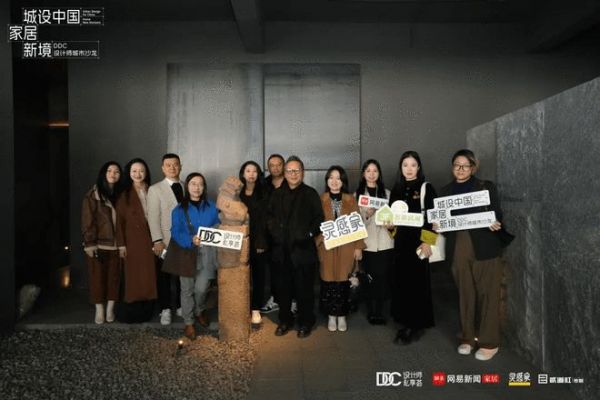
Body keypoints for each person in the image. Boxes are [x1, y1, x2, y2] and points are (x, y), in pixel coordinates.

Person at [437, 149, 506, 361]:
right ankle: (467, 338)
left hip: (485, 244)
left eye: (465, 166)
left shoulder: (485, 187)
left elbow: (496, 212)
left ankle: (489, 342)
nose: (460, 169)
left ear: (473, 168)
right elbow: (441, 221)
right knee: (465, 293)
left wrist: (494, 221)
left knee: (488, 292)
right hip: (458, 244)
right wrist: (437, 225)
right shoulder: (445, 191)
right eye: (456, 165)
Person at [267, 155, 324, 338]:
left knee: (304, 290)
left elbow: (319, 219)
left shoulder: (310, 193)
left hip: (304, 251)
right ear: (285, 173)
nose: (293, 174)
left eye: (296, 170)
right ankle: (285, 320)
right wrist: (277, 234)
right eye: (290, 171)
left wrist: (308, 234)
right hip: (281, 251)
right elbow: (269, 218)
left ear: (303, 172)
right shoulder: (276, 194)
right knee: (283, 290)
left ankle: (306, 322)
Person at [389, 151, 436, 344]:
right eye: (405, 165)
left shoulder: (426, 188)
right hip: (400, 243)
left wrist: (427, 241)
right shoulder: (396, 189)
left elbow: (434, 217)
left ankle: (415, 324)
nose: (409, 169)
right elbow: (391, 221)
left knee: (417, 283)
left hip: (419, 244)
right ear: (401, 168)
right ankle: (404, 321)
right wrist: (390, 227)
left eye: (413, 165)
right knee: (401, 282)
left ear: (419, 167)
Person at [171, 173, 219, 340]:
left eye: (200, 184)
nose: (197, 187)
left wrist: (215, 231)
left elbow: (219, 225)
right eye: (193, 183)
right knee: (187, 289)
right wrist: (190, 240)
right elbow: (175, 231)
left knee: (202, 288)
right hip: (187, 253)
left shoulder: (212, 206)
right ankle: (189, 321)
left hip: (207, 253)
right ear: (187, 186)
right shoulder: (179, 209)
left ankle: (199, 310)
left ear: (204, 187)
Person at [318, 166, 365, 332]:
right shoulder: (321, 199)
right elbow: (315, 224)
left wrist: (358, 247)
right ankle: (331, 315)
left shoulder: (350, 199)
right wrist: (320, 240)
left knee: (344, 281)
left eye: (338, 178)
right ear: (327, 180)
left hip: (347, 247)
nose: (334, 181)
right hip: (327, 247)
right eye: (331, 177)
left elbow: (358, 224)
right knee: (328, 281)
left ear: (343, 181)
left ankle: (342, 315)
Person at [81, 161, 123, 324]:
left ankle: (110, 309)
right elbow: (87, 220)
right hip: (98, 244)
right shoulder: (93, 195)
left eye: (116, 171)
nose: (113, 174)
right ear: (103, 174)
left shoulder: (122, 194)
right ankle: (99, 309)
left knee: (114, 278)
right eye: (109, 171)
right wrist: (89, 243)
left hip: (117, 245)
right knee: (96, 278)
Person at [355, 159, 394, 325]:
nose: (372, 174)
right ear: (363, 174)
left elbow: (396, 221)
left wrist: (392, 226)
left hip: (385, 243)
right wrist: (367, 215)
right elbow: (354, 225)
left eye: (375, 171)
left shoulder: (388, 194)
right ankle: (371, 311)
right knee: (369, 278)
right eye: (368, 171)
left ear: (379, 174)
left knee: (383, 278)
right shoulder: (357, 195)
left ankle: (380, 311)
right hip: (368, 244)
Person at [147, 153, 184, 325]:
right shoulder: (155, 189)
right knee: (164, 277)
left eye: (175, 164)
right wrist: (157, 240)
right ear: (163, 168)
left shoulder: (186, 186)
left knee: (183, 275)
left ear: (180, 166)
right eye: (168, 165)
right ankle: (165, 309)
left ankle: (180, 305)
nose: (172, 167)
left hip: (185, 240)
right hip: (165, 240)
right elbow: (153, 217)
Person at [116, 158, 157, 307]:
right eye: (134, 171)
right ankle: (133, 303)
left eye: (141, 171)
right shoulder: (124, 194)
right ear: (129, 173)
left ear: (146, 173)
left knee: (148, 272)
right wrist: (121, 244)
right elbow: (119, 221)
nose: (138, 174)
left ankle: (149, 303)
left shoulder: (153, 190)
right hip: (132, 238)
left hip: (151, 236)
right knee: (134, 272)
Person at [239, 161, 269, 325]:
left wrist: (262, 241)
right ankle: (242, 307)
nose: (251, 174)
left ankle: (256, 308)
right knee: (241, 275)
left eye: (255, 171)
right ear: (243, 173)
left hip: (259, 240)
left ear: (259, 174)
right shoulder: (237, 192)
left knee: (258, 276)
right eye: (248, 171)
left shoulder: (264, 191)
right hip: (240, 241)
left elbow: (267, 219)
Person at [260, 153, 286, 314]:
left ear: (284, 166)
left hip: (289, 234)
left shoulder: (291, 182)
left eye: (279, 164)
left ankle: (292, 301)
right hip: (270, 235)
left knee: (290, 269)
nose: (275, 168)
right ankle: (275, 299)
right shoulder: (264, 184)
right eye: (272, 165)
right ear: (268, 168)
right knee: (274, 270)